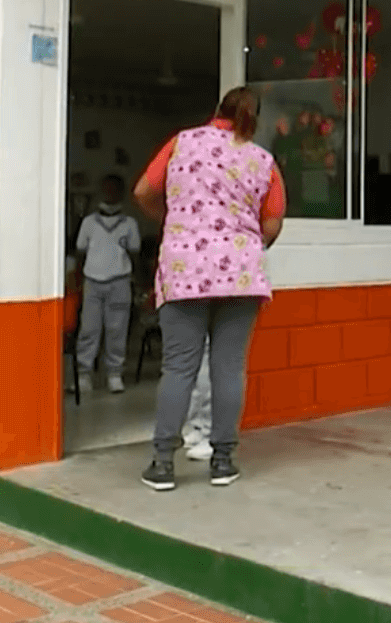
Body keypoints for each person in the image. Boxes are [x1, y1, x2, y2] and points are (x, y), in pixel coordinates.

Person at [133, 86, 286, 490]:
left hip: (184, 270)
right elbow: (271, 222)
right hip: (240, 273)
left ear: (216, 110)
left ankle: (163, 463)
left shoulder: (182, 143)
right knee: (229, 367)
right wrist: (246, 243)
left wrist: (174, 220)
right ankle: (222, 460)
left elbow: (144, 192)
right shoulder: (262, 160)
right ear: (255, 120)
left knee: (179, 367)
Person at [75, 174, 141, 394]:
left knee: (117, 329)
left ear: (121, 193)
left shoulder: (129, 224)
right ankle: (84, 373)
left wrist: (137, 283)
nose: (109, 193)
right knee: (89, 329)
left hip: (119, 282)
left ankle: (114, 373)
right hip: (92, 282)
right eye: (106, 189)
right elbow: (80, 252)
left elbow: (135, 254)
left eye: (114, 189)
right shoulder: (89, 222)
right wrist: (79, 279)